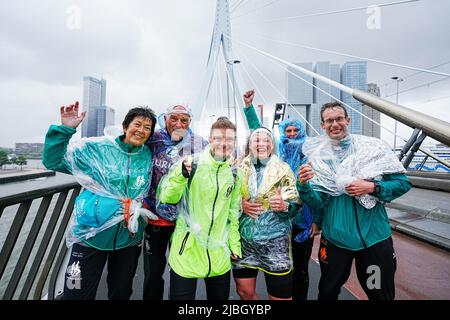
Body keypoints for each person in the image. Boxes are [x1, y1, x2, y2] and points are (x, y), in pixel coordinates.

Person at [297, 101, 412, 300]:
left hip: (373, 240)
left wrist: (372, 187)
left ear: (348, 120)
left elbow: (402, 183)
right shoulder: (318, 157)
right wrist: (304, 186)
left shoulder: (371, 148)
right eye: (329, 121)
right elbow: (318, 201)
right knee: (328, 291)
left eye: (339, 119)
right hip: (335, 240)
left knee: (377, 293)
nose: (335, 124)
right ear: (322, 126)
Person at [42, 101, 157, 300]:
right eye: (137, 124)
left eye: (147, 128)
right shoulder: (99, 149)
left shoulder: (147, 155)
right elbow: (53, 161)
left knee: (121, 292)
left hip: (128, 238)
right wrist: (65, 130)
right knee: (76, 293)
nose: (141, 130)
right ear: (125, 126)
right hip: (90, 234)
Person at [241, 89, 320, 300]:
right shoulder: (278, 152)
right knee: (280, 272)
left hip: (301, 219)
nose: (292, 135)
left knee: (300, 269)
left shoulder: (310, 154)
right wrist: (249, 108)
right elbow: (259, 135)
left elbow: (319, 190)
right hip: (269, 222)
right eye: (289, 131)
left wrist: (316, 219)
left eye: (296, 131)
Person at [157, 117, 242, 300]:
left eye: (229, 139)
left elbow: (233, 212)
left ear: (235, 142)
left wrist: (233, 244)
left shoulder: (234, 173)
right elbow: (167, 197)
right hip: (187, 251)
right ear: (210, 139)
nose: (223, 143)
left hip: (219, 253)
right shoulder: (191, 164)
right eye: (218, 138)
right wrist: (181, 175)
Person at [142, 104, 207, 300]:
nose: (178, 124)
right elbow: (128, 146)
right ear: (165, 119)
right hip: (154, 219)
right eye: (174, 119)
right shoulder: (154, 139)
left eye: (184, 120)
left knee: (180, 273)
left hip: (183, 222)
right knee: (153, 274)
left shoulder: (199, 144)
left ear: (190, 122)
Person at [232, 126, 301, 301]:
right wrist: (240, 205)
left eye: (266, 140)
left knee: (281, 298)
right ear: (249, 144)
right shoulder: (237, 168)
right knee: (244, 293)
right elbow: (224, 200)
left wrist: (284, 206)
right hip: (244, 241)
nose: (262, 144)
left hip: (275, 241)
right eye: (257, 140)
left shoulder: (283, 169)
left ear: (272, 145)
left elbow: (295, 204)